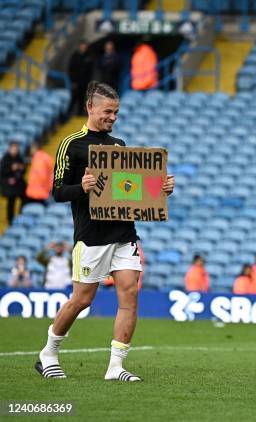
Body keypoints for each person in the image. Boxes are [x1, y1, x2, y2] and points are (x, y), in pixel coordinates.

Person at [35, 80, 175, 381]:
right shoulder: (72, 145)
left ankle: (115, 367)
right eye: (107, 112)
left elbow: (132, 192)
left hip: (124, 234)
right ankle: (48, 353)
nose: (112, 118)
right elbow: (57, 192)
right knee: (82, 300)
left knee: (129, 296)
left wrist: (160, 190)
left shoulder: (119, 147)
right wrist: (81, 187)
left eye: (116, 113)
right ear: (90, 107)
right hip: (92, 237)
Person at [0, 141, 26, 224]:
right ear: (10, 148)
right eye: (13, 148)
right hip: (9, 185)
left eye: (16, 148)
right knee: (11, 202)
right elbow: (2, 171)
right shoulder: (5, 158)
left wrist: (21, 168)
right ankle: (10, 220)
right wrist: (12, 168)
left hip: (18, 183)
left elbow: (23, 170)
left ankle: (21, 215)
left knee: (25, 198)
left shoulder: (19, 157)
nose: (15, 150)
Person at [68, 41, 93, 115]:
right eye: (82, 46)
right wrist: (73, 81)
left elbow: (90, 71)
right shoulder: (74, 56)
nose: (84, 48)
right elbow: (71, 69)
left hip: (84, 83)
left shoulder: (89, 57)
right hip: (75, 82)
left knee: (82, 100)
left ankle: (79, 116)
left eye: (85, 47)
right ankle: (66, 116)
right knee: (73, 100)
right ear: (80, 46)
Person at [25, 141, 54, 205]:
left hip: (37, 191)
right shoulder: (46, 157)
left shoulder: (38, 158)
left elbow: (41, 175)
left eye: (31, 149)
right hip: (43, 191)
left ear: (34, 148)